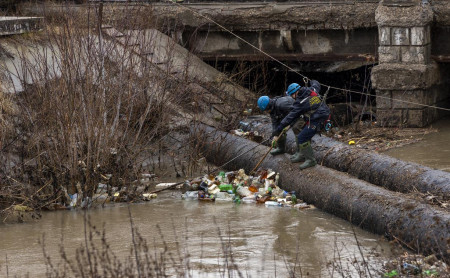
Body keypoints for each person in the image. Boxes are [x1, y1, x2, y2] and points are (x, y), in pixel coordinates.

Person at [273, 80, 330, 170]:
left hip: (319, 119)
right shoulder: (312, 90)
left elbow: (290, 117)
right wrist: (312, 81)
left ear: (295, 93)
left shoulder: (300, 102)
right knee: (300, 133)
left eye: (292, 95)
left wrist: (279, 128)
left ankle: (311, 160)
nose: (292, 97)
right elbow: (317, 84)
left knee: (302, 137)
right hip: (321, 114)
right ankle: (302, 154)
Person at [257, 95, 304, 161]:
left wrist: (290, 124)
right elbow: (275, 123)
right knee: (278, 130)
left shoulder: (281, 104)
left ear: (268, 106)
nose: (266, 112)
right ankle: (281, 148)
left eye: (266, 110)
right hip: (287, 116)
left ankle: (301, 153)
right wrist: (275, 135)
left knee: (295, 128)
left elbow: (295, 112)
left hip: (300, 114)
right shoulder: (272, 110)